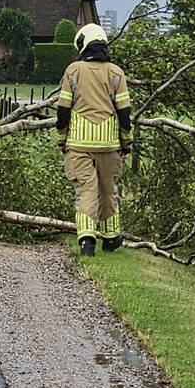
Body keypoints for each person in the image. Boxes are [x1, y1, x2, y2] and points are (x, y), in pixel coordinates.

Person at [56, 24, 132, 257]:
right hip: (109, 144)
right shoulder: (116, 73)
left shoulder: (73, 70)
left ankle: (87, 239)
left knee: (86, 189)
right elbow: (124, 113)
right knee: (108, 190)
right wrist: (126, 144)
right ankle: (111, 237)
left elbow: (63, 109)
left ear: (83, 44)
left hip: (79, 144)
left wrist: (61, 140)